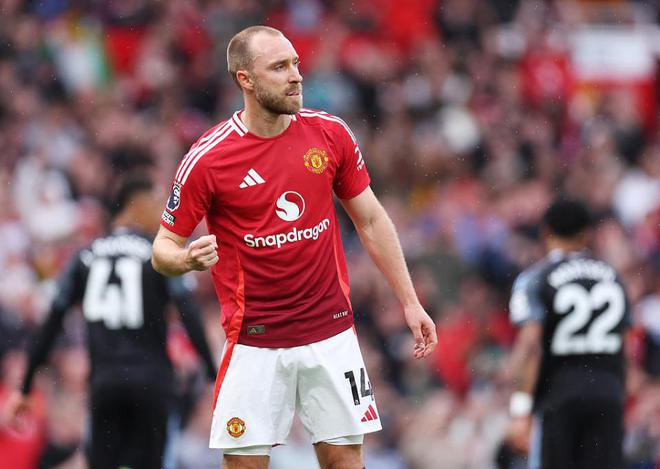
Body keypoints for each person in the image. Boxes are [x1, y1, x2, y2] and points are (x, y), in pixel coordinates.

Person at [151, 25, 438, 469]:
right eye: (280, 67)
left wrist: (410, 301)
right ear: (246, 79)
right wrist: (186, 259)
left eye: (296, 64)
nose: (296, 75)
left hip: (330, 333)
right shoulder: (208, 159)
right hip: (254, 342)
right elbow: (162, 249)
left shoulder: (330, 134)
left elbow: (371, 219)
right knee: (245, 465)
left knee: (345, 461)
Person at [7, 174, 217, 469]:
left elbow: (52, 321)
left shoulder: (84, 257)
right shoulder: (158, 255)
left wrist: (25, 386)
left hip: (105, 383)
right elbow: (188, 311)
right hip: (151, 383)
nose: (164, 214)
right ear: (137, 205)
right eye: (158, 204)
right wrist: (212, 374)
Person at [506, 198, 630, 469]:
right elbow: (625, 345)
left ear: (545, 232)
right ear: (587, 233)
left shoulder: (536, 278)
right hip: (608, 394)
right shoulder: (613, 277)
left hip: (560, 394)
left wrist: (520, 409)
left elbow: (530, 345)